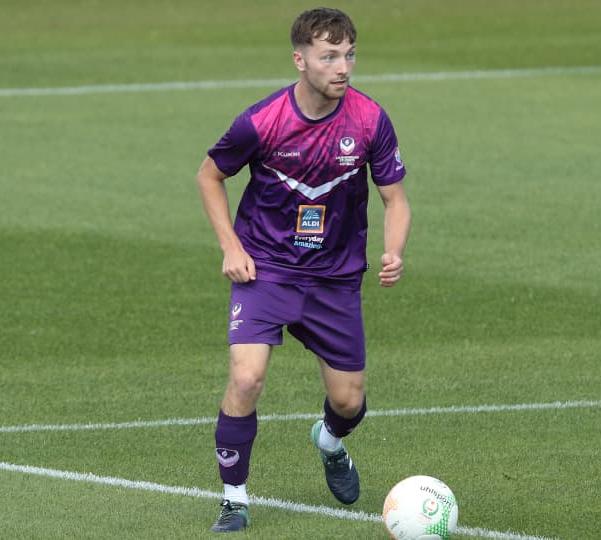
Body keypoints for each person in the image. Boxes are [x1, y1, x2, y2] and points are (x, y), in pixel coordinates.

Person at [196, 7, 411, 533]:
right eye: (330, 56)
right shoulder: (262, 121)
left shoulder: (368, 119)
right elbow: (209, 176)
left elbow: (396, 199)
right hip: (265, 270)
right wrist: (230, 246)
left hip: (335, 279)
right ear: (300, 60)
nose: (343, 67)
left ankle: (330, 441)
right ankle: (234, 498)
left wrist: (394, 249)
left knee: (349, 400)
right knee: (246, 378)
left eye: (349, 55)